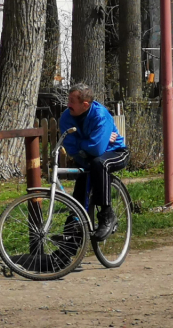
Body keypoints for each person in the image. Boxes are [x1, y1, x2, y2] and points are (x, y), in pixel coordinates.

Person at [60, 84, 129, 241]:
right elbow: (70, 147)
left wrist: (84, 144)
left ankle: (107, 214)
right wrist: (90, 142)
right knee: (80, 192)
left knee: (99, 163)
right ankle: (69, 246)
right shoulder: (66, 118)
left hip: (116, 152)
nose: (68, 104)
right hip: (85, 159)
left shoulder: (100, 115)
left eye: (72, 101)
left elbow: (97, 149)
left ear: (85, 104)